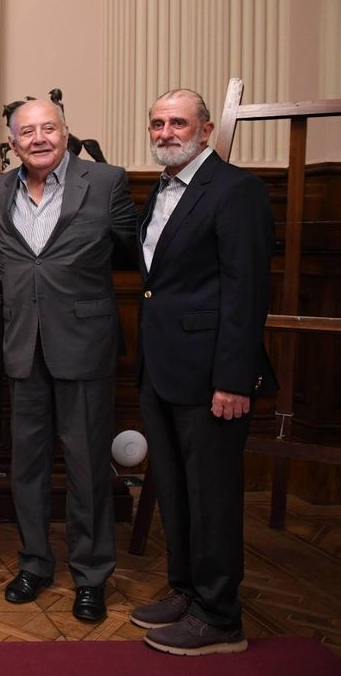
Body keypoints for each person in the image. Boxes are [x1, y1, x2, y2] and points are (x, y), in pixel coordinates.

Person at [131, 89, 275, 655]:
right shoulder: (159, 191)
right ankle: (187, 590)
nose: (166, 132)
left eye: (178, 123)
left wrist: (234, 379)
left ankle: (220, 616)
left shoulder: (236, 191)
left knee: (212, 496)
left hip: (213, 376)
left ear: (206, 130)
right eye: (157, 123)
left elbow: (246, 292)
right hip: (161, 369)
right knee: (174, 487)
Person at [0, 98, 134, 622]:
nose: (39, 138)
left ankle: (91, 575)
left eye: (49, 128)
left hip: (85, 345)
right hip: (24, 347)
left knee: (87, 466)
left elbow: (134, 253)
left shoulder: (107, 180)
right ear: (12, 142)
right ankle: (35, 562)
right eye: (27, 131)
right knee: (25, 466)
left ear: (66, 132)